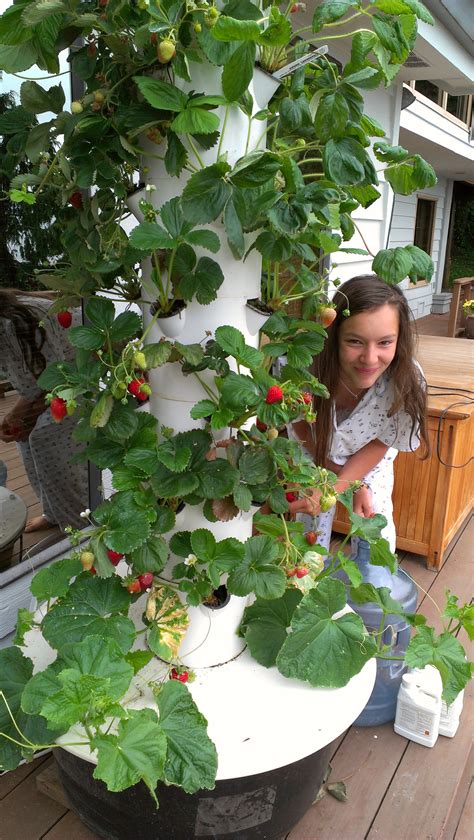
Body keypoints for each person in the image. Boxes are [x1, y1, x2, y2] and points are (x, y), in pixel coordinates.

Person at [288, 274, 428, 551]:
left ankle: (372, 577)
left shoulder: (405, 382)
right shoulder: (306, 370)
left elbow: (380, 442)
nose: (370, 358)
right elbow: (301, 428)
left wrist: (346, 485)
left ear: (399, 340)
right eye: (355, 341)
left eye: (385, 342)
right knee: (304, 536)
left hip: (370, 459)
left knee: (374, 527)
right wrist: (339, 485)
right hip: (311, 449)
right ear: (334, 335)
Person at [0, 289, 88, 532]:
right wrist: (17, 416)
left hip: (84, 374)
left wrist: (16, 414)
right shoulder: (8, 318)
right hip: (55, 377)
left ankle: (79, 526)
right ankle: (54, 513)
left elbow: (47, 379)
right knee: (27, 442)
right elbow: (36, 381)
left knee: (49, 447)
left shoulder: (14, 326)